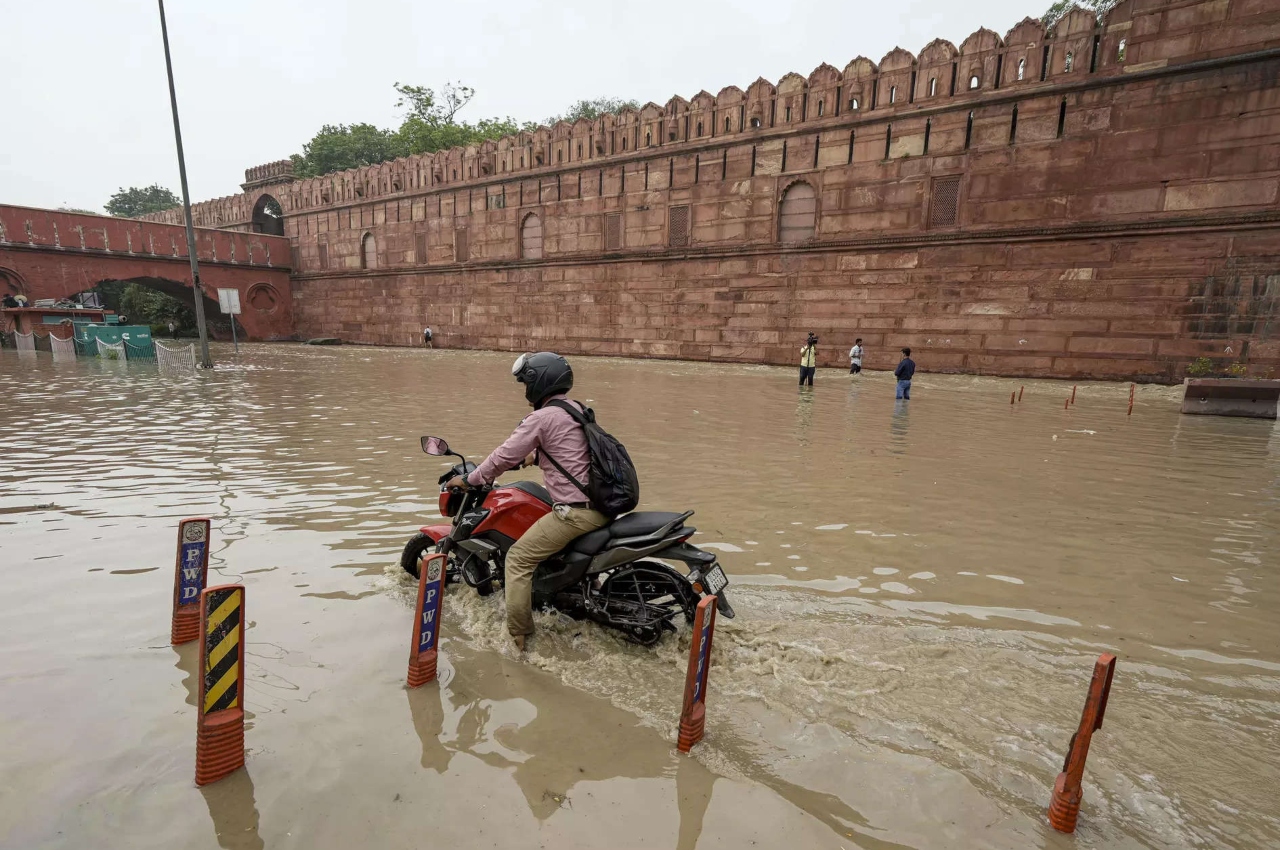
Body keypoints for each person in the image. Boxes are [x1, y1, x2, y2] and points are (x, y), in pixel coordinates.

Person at [445, 352, 608, 651]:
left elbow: (503, 455)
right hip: (601, 507)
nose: (524, 391)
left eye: (525, 384)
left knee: (518, 559)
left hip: (576, 513)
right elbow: (567, 452)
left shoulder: (542, 417)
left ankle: (519, 637)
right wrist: (531, 459)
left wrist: (470, 479)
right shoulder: (575, 410)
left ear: (539, 381)